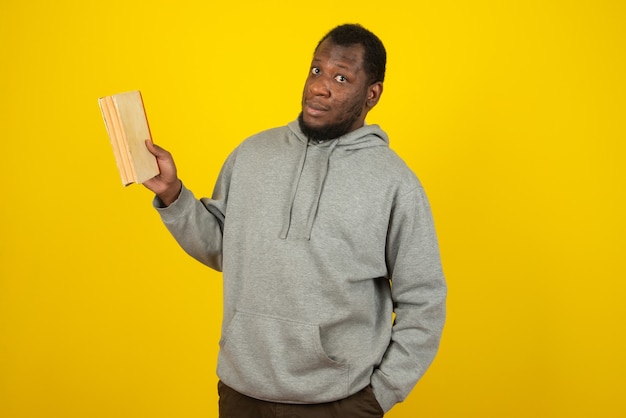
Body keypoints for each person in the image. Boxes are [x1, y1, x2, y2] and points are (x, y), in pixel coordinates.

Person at [143, 23, 447, 417]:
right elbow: (223, 247)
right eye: (316, 70)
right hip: (242, 392)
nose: (320, 87)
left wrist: (382, 393)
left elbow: (424, 300)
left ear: (372, 94)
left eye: (341, 77)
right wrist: (172, 194)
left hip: (338, 401)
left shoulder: (394, 183)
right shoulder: (252, 154)